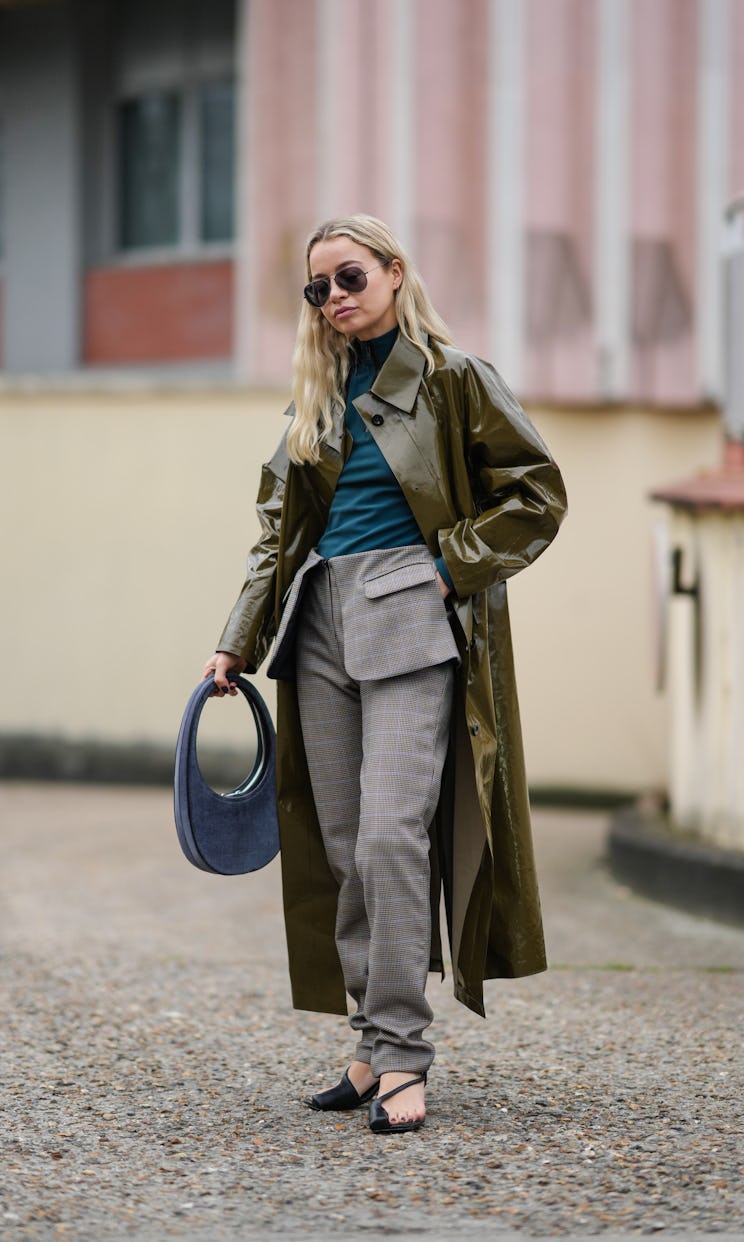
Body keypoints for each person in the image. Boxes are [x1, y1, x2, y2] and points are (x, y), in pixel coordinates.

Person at [203, 214, 567, 1135]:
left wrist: (446, 567)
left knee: (390, 837)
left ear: (396, 273)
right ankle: (369, 1043)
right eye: (318, 289)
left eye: (351, 278)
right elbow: (278, 531)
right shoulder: (314, 399)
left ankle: (403, 1053)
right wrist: (237, 638)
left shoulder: (452, 378)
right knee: (341, 845)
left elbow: (537, 494)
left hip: (412, 614)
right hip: (318, 620)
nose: (335, 300)